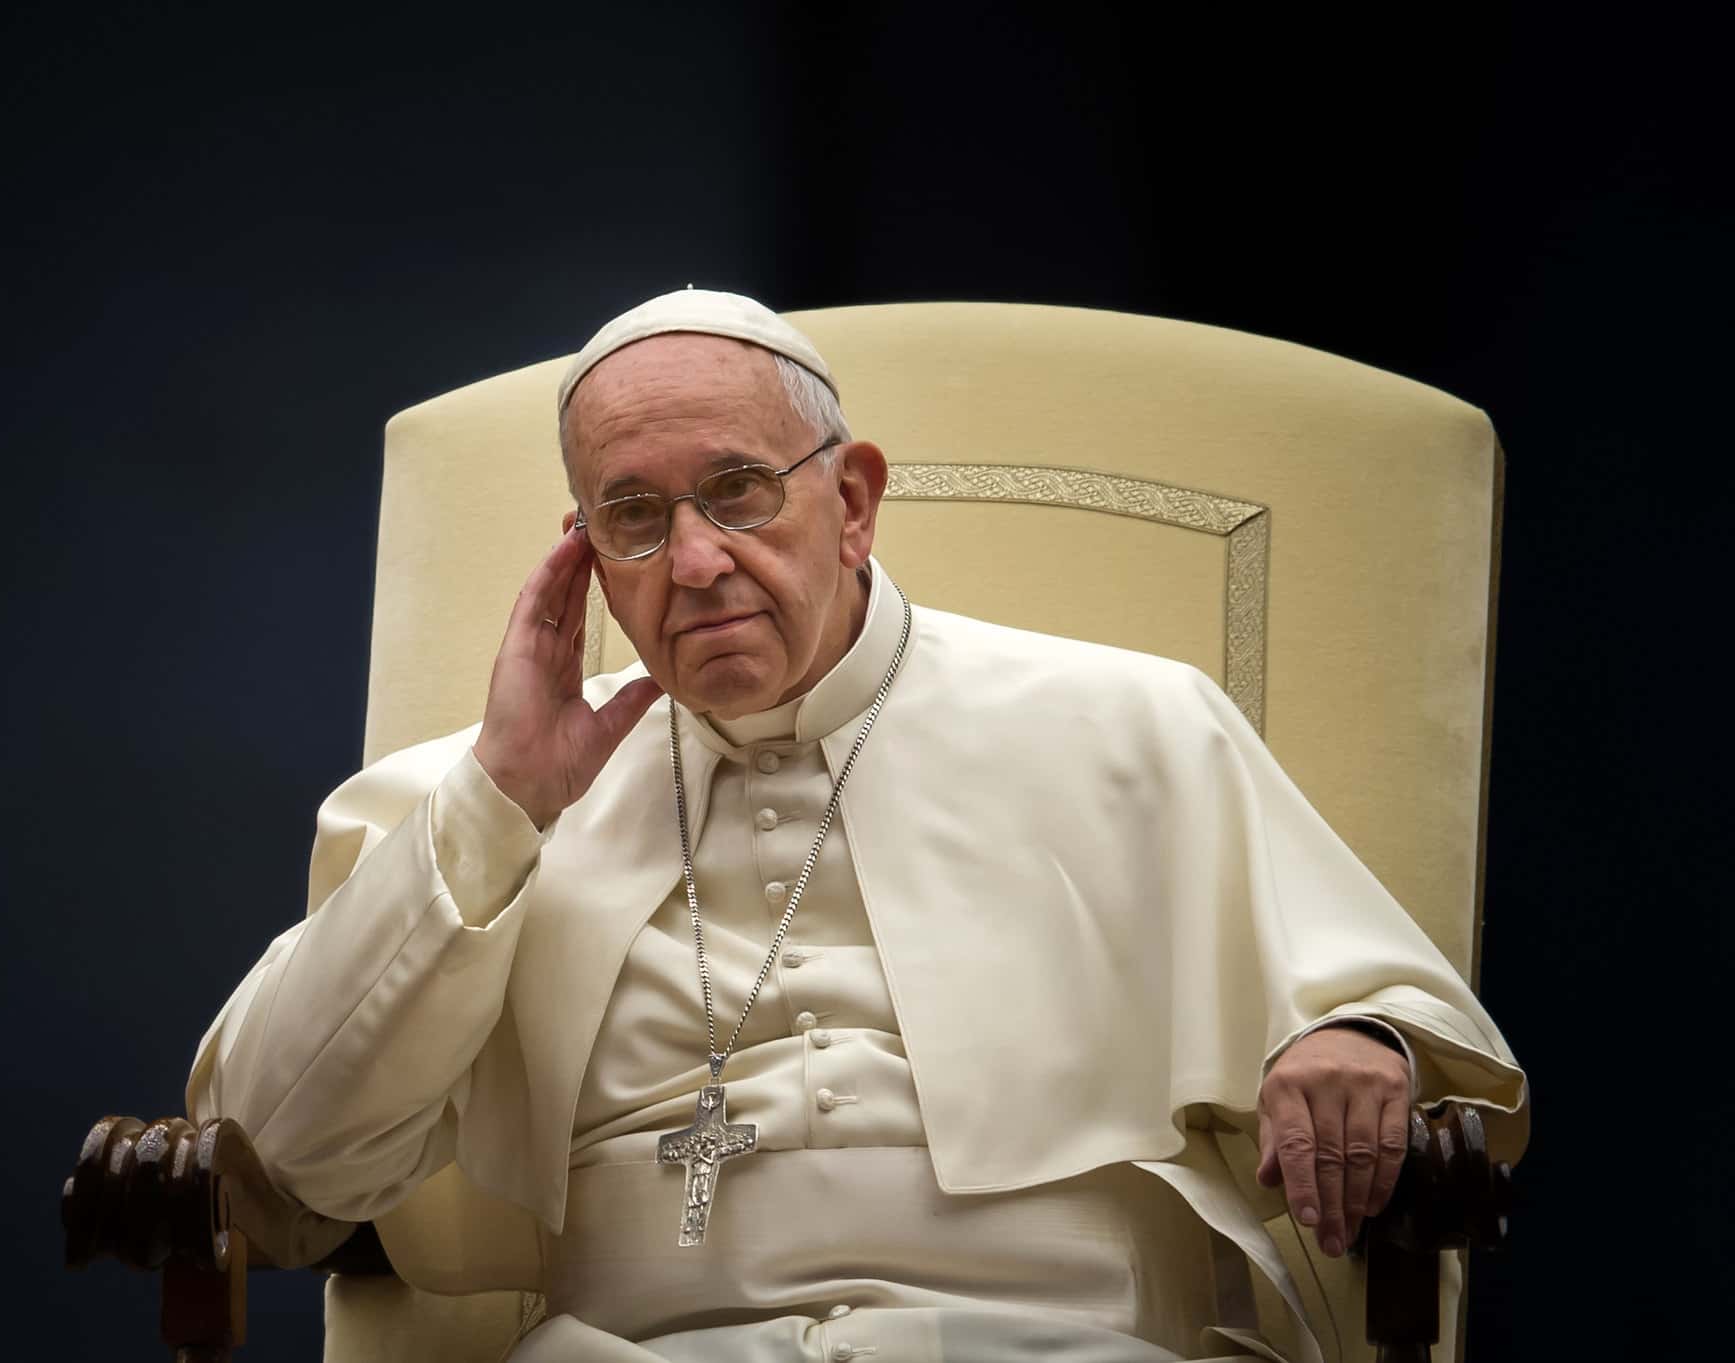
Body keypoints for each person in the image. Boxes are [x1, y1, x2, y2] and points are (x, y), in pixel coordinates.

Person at [188, 289, 1527, 1363]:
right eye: (635, 518)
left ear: (856, 501)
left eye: (740, 490)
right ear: (586, 551)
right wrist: (502, 803)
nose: (697, 561)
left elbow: (1374, 1000)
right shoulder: (487, 798)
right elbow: (277, 1152)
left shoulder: (1128, 725)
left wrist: (1359, 1039)